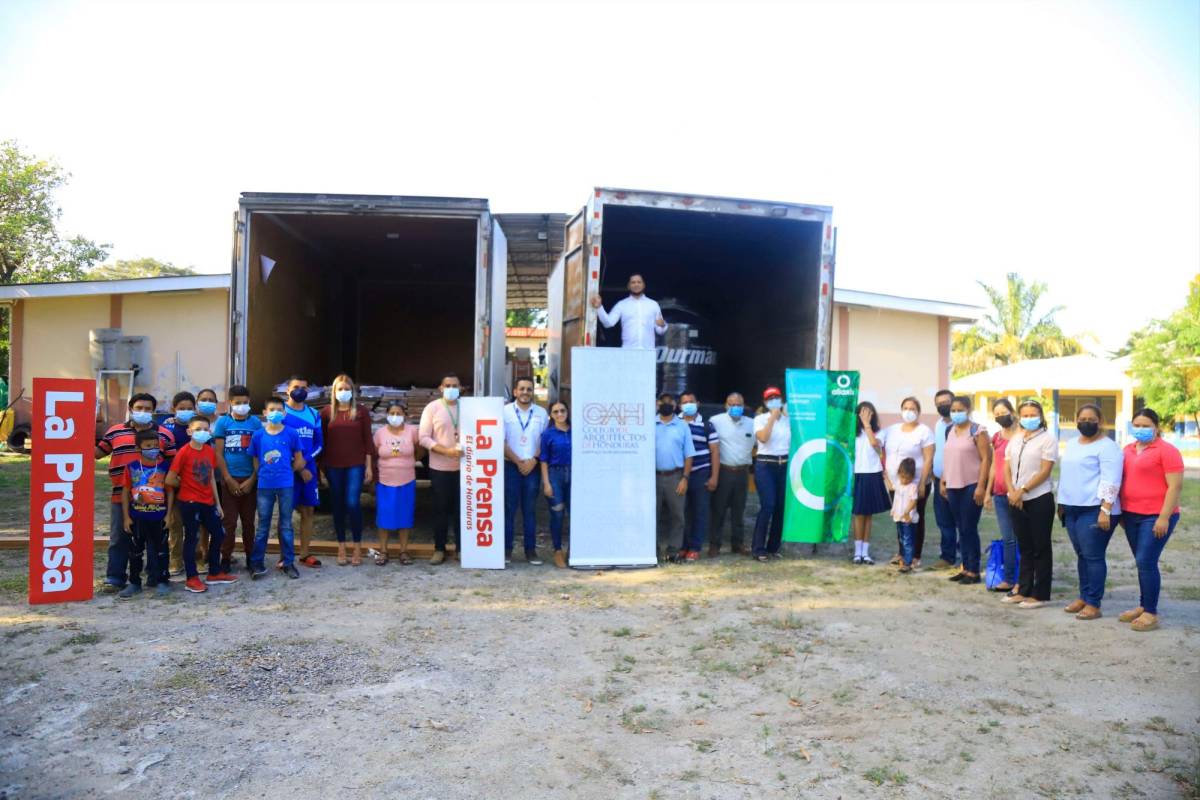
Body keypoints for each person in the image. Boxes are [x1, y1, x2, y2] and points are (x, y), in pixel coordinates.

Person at [95, 393, 177, 592]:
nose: (143, 412)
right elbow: (97, 454)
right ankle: (115, 577)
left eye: (148, 409)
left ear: (153, 412)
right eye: (139, 408)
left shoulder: (165, 435)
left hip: (155, 499)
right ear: (131, 409)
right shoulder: (115, 432)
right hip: (121, 495)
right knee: (120, 537)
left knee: (153, 539)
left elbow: (173, 467)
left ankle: (154, 577)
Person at [1117, 408, 1185, 632]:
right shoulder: (1127, 450)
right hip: (1131, 515)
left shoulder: (1167, 451)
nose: (1141, 429)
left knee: (1146, 560)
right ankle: (1143, 605)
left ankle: (1150, 612)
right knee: (1141, 561)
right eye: (1137, 425)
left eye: (1146, 425)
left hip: (1157, 516)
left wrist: (1164, 517)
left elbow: (1175, 486)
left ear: (1157, 427)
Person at [1058, 404, 1122, 620]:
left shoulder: (1107, 447)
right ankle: (1084, 596)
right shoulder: (1072, 443)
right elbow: (1067, 474)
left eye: (1091, 418)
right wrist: (1062, 502)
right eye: (1082, 418)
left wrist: (1106, 509)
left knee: (1093, 556)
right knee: (1081, 555)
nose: (1086, 422)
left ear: (1100, 421)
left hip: (1095, 509)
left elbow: (1111, 479)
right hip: (1072, 508)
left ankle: (1094, 603)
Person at [166, 417, 237, 593]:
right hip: (190, 503)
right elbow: (170, 478)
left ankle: (214, 572)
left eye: (206, 429)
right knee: (193, 539)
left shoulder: (209, 451)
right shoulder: (183, 452)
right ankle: (191, 577)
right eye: (198, 429)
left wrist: (218, 504)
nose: (203, 432)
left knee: (219, 533)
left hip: (208, 502)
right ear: (189, 431)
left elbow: (212, 477)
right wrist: (186, 484)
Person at [1001, 400, 1058, 609]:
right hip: (1016, 499)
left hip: (1038, 498)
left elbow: (1045, 471)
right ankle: (1023, 589)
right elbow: (1006, 466)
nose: (1029, 418)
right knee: (1025, 547)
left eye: (1033, 414)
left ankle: (1040, 593)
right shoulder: (1015, 439)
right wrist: (1012, 491)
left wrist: (1023, 490)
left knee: (1040, 547)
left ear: (1041, 416)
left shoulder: (1048, 439)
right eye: (1024, 414)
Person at [320, 374, 374, 566]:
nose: (343, 392)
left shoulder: (361, 412)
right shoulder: (326, 413)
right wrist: (321, 469)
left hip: (355, 465)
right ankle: (341, 545)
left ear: (353, 391)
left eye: (347, 389)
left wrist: (369, 467)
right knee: (337, 506)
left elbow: (368, 440)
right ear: (334, 392)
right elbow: (322, 443)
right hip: (333, 465)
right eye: (340, 389)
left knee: (352, 503)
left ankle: (357, 546)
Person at [249, 397, 306, 580]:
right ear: (265, 413)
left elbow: (299, 457)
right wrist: (263, 473)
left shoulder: (291, 433)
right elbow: (255, 459)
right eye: (271, 409)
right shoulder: (258, 435)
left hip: (286, 485)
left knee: (286, 525)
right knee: (263, 526)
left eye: (279, 409)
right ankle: (257, 563)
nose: (275, 412)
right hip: (264, 486)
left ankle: (288, 562)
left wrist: (290, 471)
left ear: (284, 413)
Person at [940, 396, 992, 585]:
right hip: (953, 485)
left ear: (968, 410)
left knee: (969, 527)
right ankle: (965, 567)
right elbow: (949, 457)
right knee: (961, 527)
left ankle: (974, 570)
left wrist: (981, 486)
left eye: (959, 409)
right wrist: (943, 480)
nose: (956, 413)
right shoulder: (949, 430)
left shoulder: (977, 430)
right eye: (953, 410)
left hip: (971, 484)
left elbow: (986, 459)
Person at [213, 385, 262, 574]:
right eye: (237, 403)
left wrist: (252, 479)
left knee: (249, 522)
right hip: (229, 481)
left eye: (245, 402)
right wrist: (227, 478)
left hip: (250, 480)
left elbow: (258, 454)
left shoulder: (256, 423)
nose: (242, 406)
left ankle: (252, 558)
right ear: (230, 403)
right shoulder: (223, 423)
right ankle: (225, 558)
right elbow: (219, 454)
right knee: (229, 523)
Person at [118, 429, 172, 599]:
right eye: (148, 446)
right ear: (138, 448)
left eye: (156, 446)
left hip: (159, 517)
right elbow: (125, 492)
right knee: (135, 552)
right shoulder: (131, 467)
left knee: (162, 551)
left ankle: (162, 580)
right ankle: (134, 582)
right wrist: (126, 517)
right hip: (137, 518)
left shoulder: (164, 467)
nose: (153, 449)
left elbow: (170, 492)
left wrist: (169, 514)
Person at [881, 397, 935, 567]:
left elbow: (928, 459)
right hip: (896, 485)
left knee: (914, 517)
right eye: (905, 407)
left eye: (912, 408)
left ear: (918, 412)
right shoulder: (892, 430)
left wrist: (921, 484)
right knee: (899, 515)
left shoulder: (924, 431)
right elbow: (880, 447)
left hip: (916, 484)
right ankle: (902, 551)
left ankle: (915, 554)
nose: (908, 411)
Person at [164, 391, 211, 578]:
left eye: (189, 408)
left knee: (196, 525)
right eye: (181, 409)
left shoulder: (200, 432)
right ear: (173, 409)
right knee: (175, 525)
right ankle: (175, 560)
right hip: (174, 485)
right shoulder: (168, 431)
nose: (185, 411)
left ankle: (198, 559)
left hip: (197, 486)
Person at [420, 373, 465, 565]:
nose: (451, 388)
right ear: (440, 388)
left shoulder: (469, 408)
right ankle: (439, 549)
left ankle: (462, 549)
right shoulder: (432, 408)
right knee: (440, 510)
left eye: (455, 385)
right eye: (447, 385)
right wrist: (446, 451)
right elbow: (424, 438)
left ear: (461, 388)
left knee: (463, 510)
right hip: (440, 468)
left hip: (466, 469)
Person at [504, 377, 550, 565]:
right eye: (522, 388)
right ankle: (506, 550)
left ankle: (530, 551)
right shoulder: (504, 412)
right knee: (509, 510)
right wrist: (518, 461)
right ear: (515, 391)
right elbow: (501, 441)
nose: (525, 392)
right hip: (511, 466)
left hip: (533, 467)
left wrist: (533, 461)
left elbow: (544, 442)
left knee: (529, 510)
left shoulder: (541, 413)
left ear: (533, 392)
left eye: (529, 389)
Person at [373, 402, 422, 566]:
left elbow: (420, 449)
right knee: (383, 516)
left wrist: (412, 460)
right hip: (385, 480)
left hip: (407, 479)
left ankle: (403, 551)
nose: (395, 416)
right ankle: (384, 551)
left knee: (405, 515)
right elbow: (373, 454)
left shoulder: (412, 431)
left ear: (405, 415)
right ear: (387, 415)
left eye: (398, 413)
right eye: (392, 413)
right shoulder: (379, 433)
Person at [283, 375, 324, 568]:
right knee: (285, 513)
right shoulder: (279, 412)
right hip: (287, 470)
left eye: (305, 388)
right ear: (287, 390)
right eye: (296, 387)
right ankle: (285, 556)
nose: (300, 390)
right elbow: (276, 441)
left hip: (308, 469)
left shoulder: (314, 414)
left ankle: (305, 553)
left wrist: (304, 462)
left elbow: (319, 444)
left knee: (308, 511)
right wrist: (296, 465)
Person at [708, 392, 754, 557]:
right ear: (726, 405)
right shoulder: (715, 421)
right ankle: (715, 545)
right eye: (732, 404)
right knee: (718, 510)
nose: (735, 407)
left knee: (739, 510)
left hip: (743, 473)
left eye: (739, 405)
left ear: (744, 406)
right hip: (724, 471)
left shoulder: (752, 424)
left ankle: (738, 543)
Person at [654, 392, 695, 562]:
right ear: (657, 404)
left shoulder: (682, 426)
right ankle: (652, 550)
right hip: (652, 477)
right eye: (663, 402)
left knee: (678, 516)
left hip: (675, 476)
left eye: (670, 402)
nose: (666, 405)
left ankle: (673, 552)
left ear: (675, 405)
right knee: (651, 515)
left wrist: (685, 478)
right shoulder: (648, 423)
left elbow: (689, 455)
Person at [679, 391, 719, 562]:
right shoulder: (675, 423)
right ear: (680, 406)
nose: (688, 404)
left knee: (700, 512)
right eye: (684, 402)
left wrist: (714, 477)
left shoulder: (707, 426)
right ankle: (682, 546)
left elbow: (715, 452)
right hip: (679, 476)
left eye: (691, 401)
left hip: (701, 474)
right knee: (681, 513)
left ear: (698, 403)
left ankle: (695, 547)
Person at [984, 399, 1019, 593]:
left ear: (1012, 412)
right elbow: (992, 466)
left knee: (1022, 537)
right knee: (1008, 538)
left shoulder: (1022, 435)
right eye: (996, 414)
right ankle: (1009, 579)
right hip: (999, 494)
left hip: (1019, 494)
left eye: (1003, 412)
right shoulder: (996, 437)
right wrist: (988, 491)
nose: (1000, 417)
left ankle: (1024, 577)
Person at [752, 386, 790, 562]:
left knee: (780, 507)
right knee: (768, 505)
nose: (774, 400)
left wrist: (783, 417)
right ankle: (758, 548)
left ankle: (773, 547)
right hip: (766, 465)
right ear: (766, 402)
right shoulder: (760, 419)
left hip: (784, 465)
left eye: (777, 397)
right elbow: (763, 438)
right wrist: (773, 419)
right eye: (770, 398)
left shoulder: (789, 420)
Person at [851, 401, 889, 565]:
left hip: (872, 474)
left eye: (869, 412)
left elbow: (875, 445)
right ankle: (857, 552)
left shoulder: (880, 432)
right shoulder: (852, 433)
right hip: (857, 474)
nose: (866, 415)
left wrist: (867, 425)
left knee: (868, 514)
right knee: (858, 514)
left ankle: (865, 553)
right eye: (862, 413)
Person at [589, 274, 667, 349]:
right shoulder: (622, 305)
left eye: (639, 282)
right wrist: (599, 307)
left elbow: (660, 331)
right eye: (633, 282)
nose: (636, 284)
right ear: (628, 286)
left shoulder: (653, 304)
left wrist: (663, 325)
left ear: (644, 285)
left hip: (648, 351)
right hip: (628, 351)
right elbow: (608, 323)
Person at [539, 401, 572, 568]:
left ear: (567, 412)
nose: (560, 414)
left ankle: (574, 550)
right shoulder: (548, 434)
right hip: (555, 475)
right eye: (556, 412)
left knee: (575, 514)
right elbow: (543, 460)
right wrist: (546, 483)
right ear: (551, 415)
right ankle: (558, 550)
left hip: (574, 474)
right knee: (557, 514)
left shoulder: (576, 431)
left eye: (562, 410)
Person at [929, 388, 959, 570]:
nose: (943, 406)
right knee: (943, 520)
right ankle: (947, 556)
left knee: (962, 521)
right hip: (939, 479)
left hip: (958, 481)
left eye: (946, 403)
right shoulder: (938, 425)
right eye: (939, 404)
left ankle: (965, 557)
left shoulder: (962, 425)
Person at [890, 458, 920, 574]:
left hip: (908, 518)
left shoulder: (912, 487)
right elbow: (892, 487)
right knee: (902, 538)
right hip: (898, 516)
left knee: (908, 540)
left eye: (907, 478)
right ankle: (903, 557)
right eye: (902, 477)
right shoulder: (899, 484)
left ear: (912, 477)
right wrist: (885, 477)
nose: (904, 480)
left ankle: (908, 562)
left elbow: (914, 501)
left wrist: (907, 511)